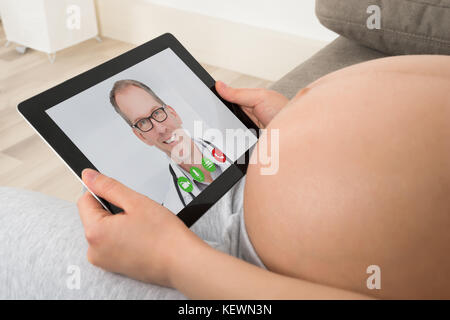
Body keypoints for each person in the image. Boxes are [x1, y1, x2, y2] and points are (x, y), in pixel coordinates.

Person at [1, 55, 449, 299]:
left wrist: (173, 258)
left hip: (245, 270)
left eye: (158, 113)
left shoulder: (208, 143)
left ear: (171, 109)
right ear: (137, 135)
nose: (156, 126)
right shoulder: (184, 172)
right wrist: (296, 121)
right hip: (253, 185)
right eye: (142, 123)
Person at [109, 80, 232, 213]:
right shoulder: (173, 210)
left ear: (173, 113)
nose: (160, 128)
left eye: (157, 112)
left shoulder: (242, 142)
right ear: (142, 136)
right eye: (143, 122)